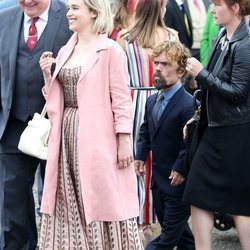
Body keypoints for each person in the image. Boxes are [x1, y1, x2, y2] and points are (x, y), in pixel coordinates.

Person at [38, 0, 143, 248]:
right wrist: (47, 76)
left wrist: (124, 140)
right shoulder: (66, 50)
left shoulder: (110, 51)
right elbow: (58, 99)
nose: (69, 13)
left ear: (94, 12)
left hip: (99, 138)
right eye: (69, 8)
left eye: (75, 8)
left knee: (102, 199)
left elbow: (121, 99)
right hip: (66, 138)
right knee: (67, 200)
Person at [0, 0, 72, 249]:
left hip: (57, 127)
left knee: (59, 201)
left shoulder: (69, 17)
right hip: (13, 126)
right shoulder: (4, 19)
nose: (28, 1)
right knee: (12, 203)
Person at [183, 0, 250, 249]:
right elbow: (211, 89)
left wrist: (202, 73)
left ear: (235, 8)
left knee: (240, 204)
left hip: (235, 131)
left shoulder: (245, 43)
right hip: (214, 128)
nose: (212, 9)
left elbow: (238, 93)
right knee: (197, 194)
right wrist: (196, 115)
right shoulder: (222, 35)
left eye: (218, 4)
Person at [117, 0, 179, 241]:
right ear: (161, 8)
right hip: (166, 101)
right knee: (162, 162)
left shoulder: (125, 37)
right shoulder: (172, 36)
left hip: (133, 101)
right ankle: (157, 219)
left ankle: (137, 220)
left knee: (136, 161)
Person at [134, 40, 195, 250]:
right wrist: (140, 155)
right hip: (158, 183)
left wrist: (180, 167)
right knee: (183, 236)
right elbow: (145, 130)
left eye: (165, 64)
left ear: (180, 71)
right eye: (157, 63)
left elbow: (191, 143)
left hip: (178, 184)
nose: (158, 68)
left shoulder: (188, 104)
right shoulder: (152, 100)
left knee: (167, 239)